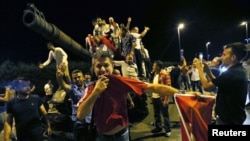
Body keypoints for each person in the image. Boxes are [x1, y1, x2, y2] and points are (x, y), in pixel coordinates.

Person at [76, 51, 200, 141]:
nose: (102, 69)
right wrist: (96, 92)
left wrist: (183, 93)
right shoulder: (90, 88)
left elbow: (153, 87)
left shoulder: (121, 81)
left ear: (112, 66)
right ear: (93, 68)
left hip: (122, 136)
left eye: (106, 65)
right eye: (98, 66)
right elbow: (80, 115)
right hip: (102, 137)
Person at [193, 42, 248, 125]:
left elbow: (207, 86)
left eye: (224, 55)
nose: (221, 57)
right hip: (234, 118)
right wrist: (207, 70)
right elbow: (217, 82)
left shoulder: (232, 73)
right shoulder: (238, 70)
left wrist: (199, 69)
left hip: (228, 120)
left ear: (233, 57)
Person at [56, 67, 92, 141]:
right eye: (75, 78)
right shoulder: (72, 88)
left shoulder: (89, 86)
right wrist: (59, 77)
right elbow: (63, 85)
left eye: (79, 77)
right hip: (79, 123)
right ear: (73, 79)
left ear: (83, 77)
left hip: (90, 122)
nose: (77, 79)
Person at [150, 60, 172, 137]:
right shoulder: (155, 74)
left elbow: (168, 87)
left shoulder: (165, 74)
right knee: (156, 114)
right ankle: (158, 127)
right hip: (155, 97)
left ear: (158, 67)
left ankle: (168, 130)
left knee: (165, 115)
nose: (152, 66)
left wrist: (166, 99)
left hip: (162, 98)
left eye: (154, 65)